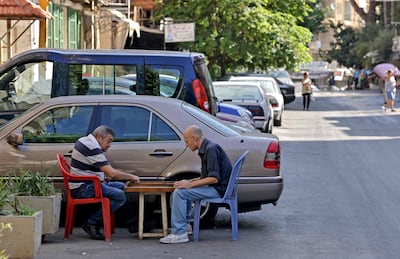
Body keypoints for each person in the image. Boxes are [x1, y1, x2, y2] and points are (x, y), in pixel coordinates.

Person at [159, 125, 232, 244]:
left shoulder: (210, 149)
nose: (186, 145)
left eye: (187, 141)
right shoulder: (207, 147)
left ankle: (179, 233)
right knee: (179, 190)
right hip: (217, 186)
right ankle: (185, 226)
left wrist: (189, 185)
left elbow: (213, 179)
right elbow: (205, 177)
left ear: (194, 138)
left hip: (218, 189)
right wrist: (188, 182)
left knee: (180, 193)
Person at [70, 125, 140, 240]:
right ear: (99, 138)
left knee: (121, 187)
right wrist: (132, 177)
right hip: (83, 188)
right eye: (109, 141)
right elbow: (111, 173)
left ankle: (132, 223)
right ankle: (91, 223)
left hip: (89, 184)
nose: (109, 145)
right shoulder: (91, 146)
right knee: (120, 196)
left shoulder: (86, 141)